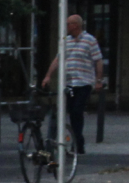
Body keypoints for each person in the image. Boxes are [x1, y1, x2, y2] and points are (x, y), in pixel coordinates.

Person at [41, 14, 103, 155]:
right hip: (68, 83)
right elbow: (58, 59)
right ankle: (54, 142)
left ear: (76, 25)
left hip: (84, 82)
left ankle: (78, 142)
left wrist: (99, 80)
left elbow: (98, 60)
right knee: (61, 111)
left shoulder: (90, 40)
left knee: (76, 111)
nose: (66, 26)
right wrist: (48, 75)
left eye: (68, 23)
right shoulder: (66, 41)